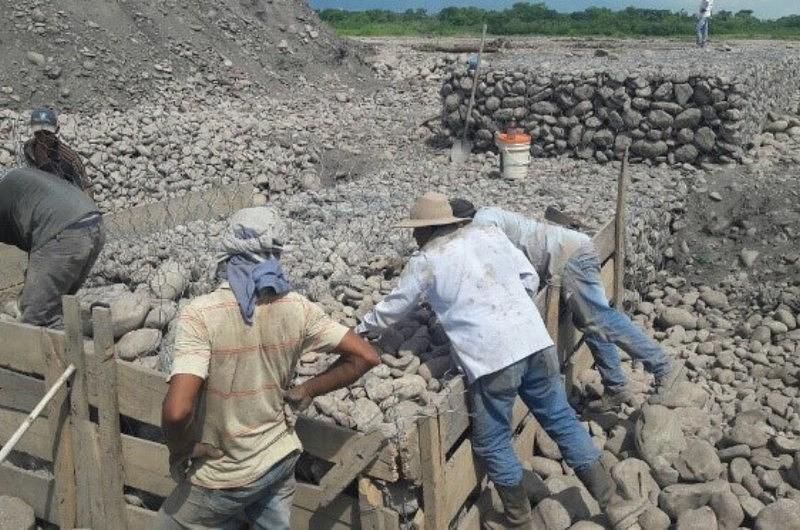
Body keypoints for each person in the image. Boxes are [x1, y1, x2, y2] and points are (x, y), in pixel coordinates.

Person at [357, 192, 645, 529]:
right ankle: (613, 503)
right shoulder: (489, 234)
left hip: (492, 359)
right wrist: (509, 310)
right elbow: (530, 278)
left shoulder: (427, 260)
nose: (414, 237)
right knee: (561, 420)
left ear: (426, 230)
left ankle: (518, 520)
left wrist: (360, 328)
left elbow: (396, 305)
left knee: (492, 441)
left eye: (415, 231)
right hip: (536, 341)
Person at [156, 206, 380, 530]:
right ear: (278, 250)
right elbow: (366, 357)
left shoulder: (200, 314)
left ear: (228, 247)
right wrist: (308, 390)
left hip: (225, 473)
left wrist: (180, 449)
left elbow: (177, 412)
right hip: (279, 456)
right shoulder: (298, 307)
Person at [449, 199, 683, 411]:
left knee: (600, 319)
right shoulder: (488, 217)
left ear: (461, 223)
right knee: (590, 322)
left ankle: (664, 367)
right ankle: (616, 385)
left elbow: (493, 261)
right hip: (572, 252)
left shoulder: (481, 223)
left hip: (569, 258)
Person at [0, 167, 104, 328]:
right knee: (54, 303)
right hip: (93, 222)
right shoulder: (12, 179)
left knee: (37, 320)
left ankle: (81, 344)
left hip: (65, 234)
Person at [23, 108, 92, 195]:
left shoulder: (70, 159)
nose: (43, 139)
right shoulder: (29, 148)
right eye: (38, 133)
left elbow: (87, 188)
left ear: (57, 130)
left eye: (47, 133)